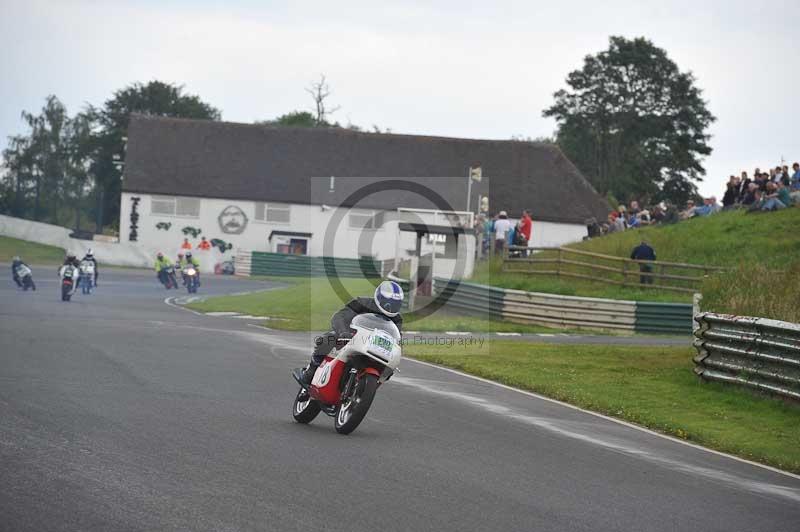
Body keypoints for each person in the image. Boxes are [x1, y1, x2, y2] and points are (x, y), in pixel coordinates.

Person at [299, 280, 404, 385]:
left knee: (389, 370)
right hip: (351, 337)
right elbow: (340, 316)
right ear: (380, 298)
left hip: (374, 346)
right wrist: (343, 331)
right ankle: (312, 369)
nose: (390, 307)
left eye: (395, 304)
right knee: (327, 340)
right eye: (388, 303)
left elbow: (397, 338)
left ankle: (365, 387)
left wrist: (396, 352)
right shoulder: (362, 303)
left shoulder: (397, 319)